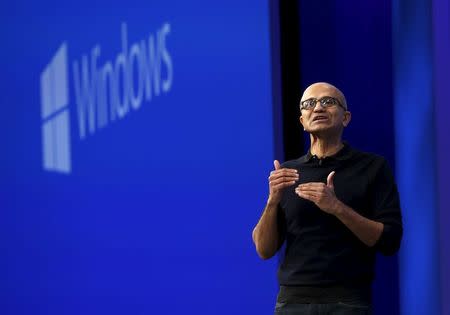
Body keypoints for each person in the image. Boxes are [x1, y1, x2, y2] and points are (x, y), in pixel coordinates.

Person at [252, 82, 403, 315]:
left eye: (328, 102)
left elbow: (390, 241)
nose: (318, 108)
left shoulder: (372, 167)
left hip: (348, 301)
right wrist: (272, 201)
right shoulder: (287, 172)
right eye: (309, 104)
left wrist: (336, 207)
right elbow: (264, 250)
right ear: (302, 121)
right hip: (292, 301)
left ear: (346, 117)